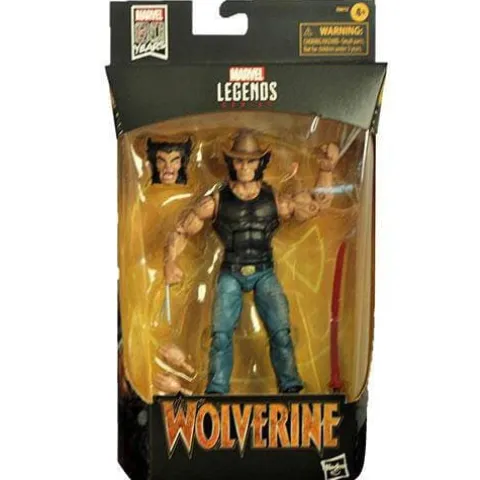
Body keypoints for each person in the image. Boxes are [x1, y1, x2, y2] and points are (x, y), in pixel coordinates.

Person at [164, 130, 341, 394]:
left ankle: (291, 387)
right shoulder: (216, 201)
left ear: (260, 162)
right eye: (239, 160)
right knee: (220, 337)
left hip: (264, 271)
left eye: (251, 161)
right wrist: (170, 261)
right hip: (231, 272)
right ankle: (216, 391)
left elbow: (317, 205)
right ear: (231, 162)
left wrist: (326, 170)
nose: (245, 166)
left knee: (281, 333)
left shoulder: (276, 200)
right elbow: (181, 228)